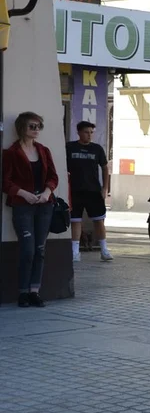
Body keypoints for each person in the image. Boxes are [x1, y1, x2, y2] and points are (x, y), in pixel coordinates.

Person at [3, 112, 59, 308]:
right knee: (27, 250)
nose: (36, 130)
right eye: (32, 126)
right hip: (23, 206)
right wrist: (23, 194)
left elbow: (53, 176)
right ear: (22, 128)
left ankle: (35, 291)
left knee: (40, 250)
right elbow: (5, 182)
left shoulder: (43, 150)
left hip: (44, 205)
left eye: (38, 126)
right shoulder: (11, 153)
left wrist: (47, 191)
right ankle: (23, 292)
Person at [66, 120, 112, 262]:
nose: (89, 135)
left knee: (99, 221)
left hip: (93, 191)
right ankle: (75, 252)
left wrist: (105, 188)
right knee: (75, 221)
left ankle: (104, 250)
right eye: (86, 132)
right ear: (79, 132)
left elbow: (105, 168)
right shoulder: (70, 147)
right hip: (75, 190)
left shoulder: (97, 149)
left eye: (91, 132)